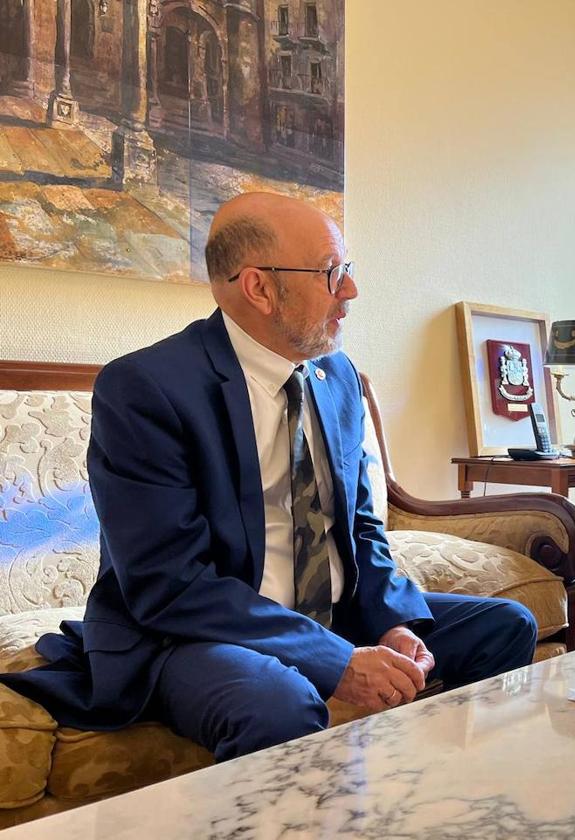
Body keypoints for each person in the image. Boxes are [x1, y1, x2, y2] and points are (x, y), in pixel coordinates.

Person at [2, 192, 537, 760]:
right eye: (333, 274)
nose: (350, 291)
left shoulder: (336, 376)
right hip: (193, 633)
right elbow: (170, 583)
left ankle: (423, 800)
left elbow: (359, 528)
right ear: (258, 287)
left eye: (347, 271)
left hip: (331, 613)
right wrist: (337, 661)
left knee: (505, 626)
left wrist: (390, 623)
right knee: (276, 702)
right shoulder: (146, 389)